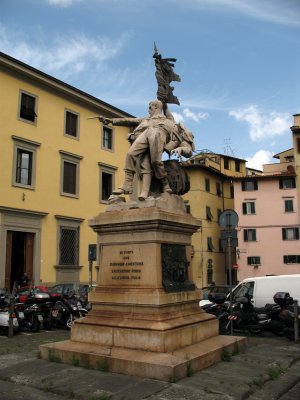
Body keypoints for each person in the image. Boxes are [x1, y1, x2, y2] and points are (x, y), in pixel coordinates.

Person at [97, 99, 195, 200]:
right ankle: (127, 184)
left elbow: (187, 147)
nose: (148, 110)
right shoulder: (146, 120)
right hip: (145, 134)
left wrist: (181, 148)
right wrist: (111, 121)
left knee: (155, 162)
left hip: (158, 133)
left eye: (150, 107)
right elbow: (129, 120)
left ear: (156, 107)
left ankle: (163, 184)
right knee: (130, 154)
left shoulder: (168, 121)